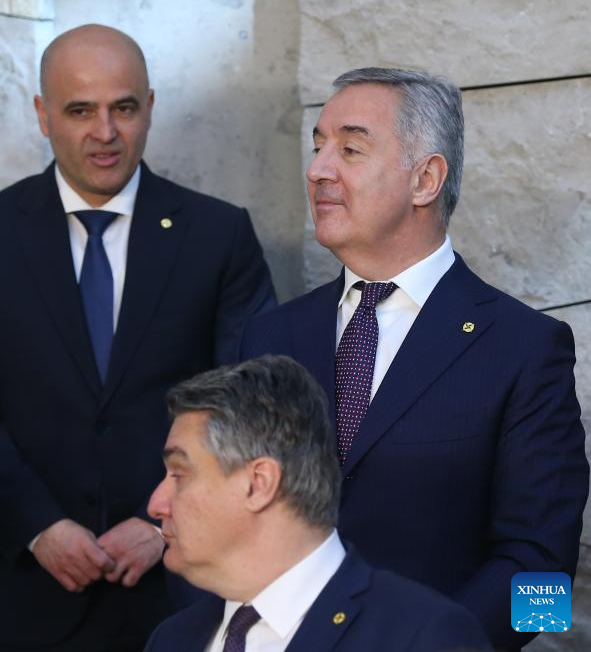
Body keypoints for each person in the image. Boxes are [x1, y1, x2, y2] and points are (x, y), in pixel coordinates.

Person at [0, 24, 276, 650]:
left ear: (150, 108)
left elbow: (251, 394)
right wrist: (38, 525)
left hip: (185, 587)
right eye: (80, 110)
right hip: (31, 593)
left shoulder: (219, 235)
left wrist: (164, 521)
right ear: (43, 114)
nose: (104, 132)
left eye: (124, 109)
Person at [238, 67, 588, 650]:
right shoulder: (270, 336)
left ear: (426, 179)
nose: (318, 169)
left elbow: (544, 583)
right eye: (318, 146)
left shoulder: (525, 348)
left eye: (350, 149)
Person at [145, 355, 490, 652]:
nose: (155, 505)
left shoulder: (423, 638)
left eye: (179, 474)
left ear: (258, 484)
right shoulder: (172, 639)